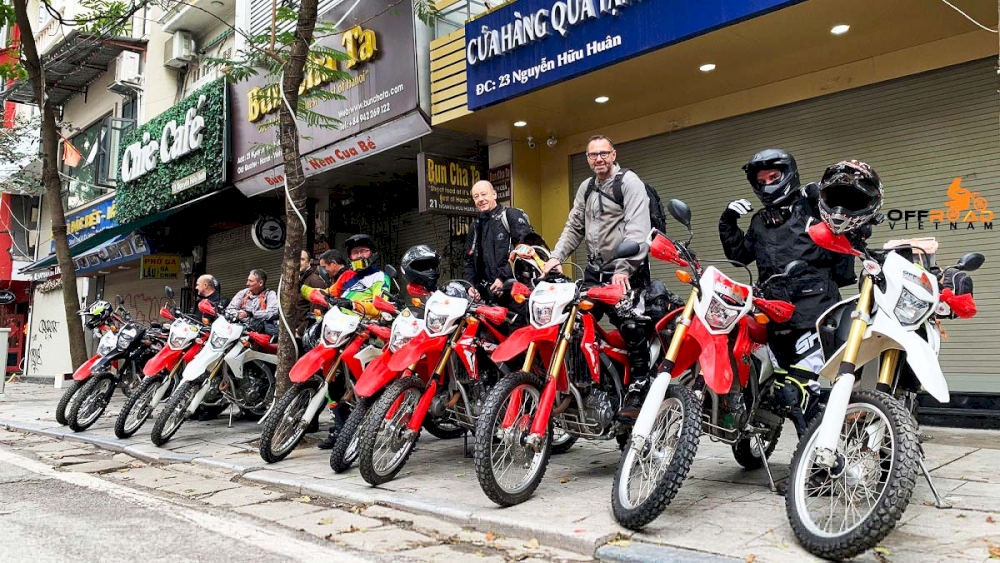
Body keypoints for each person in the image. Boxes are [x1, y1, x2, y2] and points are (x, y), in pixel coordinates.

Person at [719, 149, 859, 438]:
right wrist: (728, 222)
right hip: (774, 314)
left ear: (788, 174)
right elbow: (741, 255)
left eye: (774, 177)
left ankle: (821, 465)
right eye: (762, 180)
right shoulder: (759, 220)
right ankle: (812, 456)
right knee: (783, 389)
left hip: (813, 310)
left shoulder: (812, 205)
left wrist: (824, 199)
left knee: (801, 390)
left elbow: (848, 224)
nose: (768, 184)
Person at [542, 134, 653, 419]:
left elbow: (638, 230)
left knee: (630, 325)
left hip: (626, 271)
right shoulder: (587, 187)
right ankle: (589, 382)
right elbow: (574, 225)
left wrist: (623, 269)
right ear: (588, 159)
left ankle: (641, 382)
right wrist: (556, 257)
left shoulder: (629, 182)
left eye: (604, 153)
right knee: (575, 323)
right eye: (593, 155)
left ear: (614, 155)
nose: (599, 159)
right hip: (594, 271)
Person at [309, 235, 390, 449]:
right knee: (332, 381)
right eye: (355, 253)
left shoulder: (380, 277)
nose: (359, 256)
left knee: (367, 381)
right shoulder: (346, 277)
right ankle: (340, 429)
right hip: (341, 330)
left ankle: (380, 420)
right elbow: (330, 294)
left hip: (367, 333)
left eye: (363, 251)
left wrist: (354, 305)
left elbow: (379, 305)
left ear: (372, 254)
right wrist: (312, 294)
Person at [463, 180, 540, 302]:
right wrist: (470, 286)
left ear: (494, 194)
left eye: (484, 194)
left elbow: (525, 248)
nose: (480, 199)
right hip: (487, 297)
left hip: (515, 293)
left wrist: (503, 279)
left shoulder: (511, 215)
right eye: (476, 196)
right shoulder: (475, 227)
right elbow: (469, 261)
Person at [226, 269, 279, 335]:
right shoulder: (243, 293)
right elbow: (229, 310)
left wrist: (250, 314)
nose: (247, 283)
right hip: (239, 330)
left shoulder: (270, 294)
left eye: (250, 281)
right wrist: (237, 314)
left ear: (261, 283)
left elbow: (273, 312)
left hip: (260, 334)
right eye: (248, 280)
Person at [295, 250, 327, 339]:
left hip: (304, 335)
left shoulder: (315, 282)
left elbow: (316, 315)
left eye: (301, 259)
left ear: (308, 262)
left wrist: (299, 332)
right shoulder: (297, 281)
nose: (298, 263)